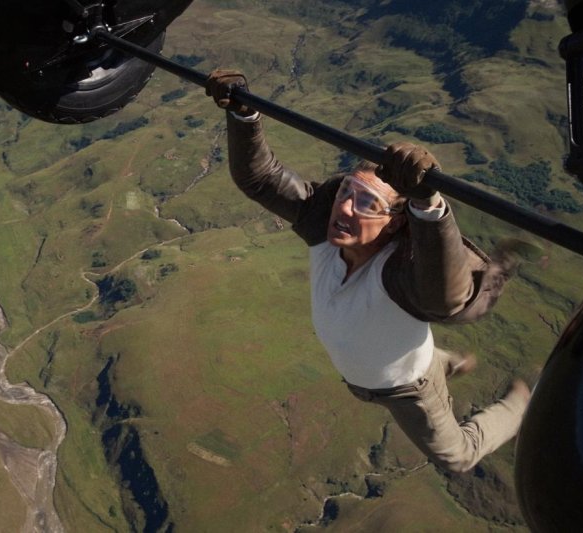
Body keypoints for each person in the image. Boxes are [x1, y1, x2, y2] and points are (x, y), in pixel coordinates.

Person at [205, 69, 531, 473]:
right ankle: (450, 362)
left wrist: (427, 206)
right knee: (423, 354)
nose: (344, 208)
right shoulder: (324, 231)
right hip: (372, 371)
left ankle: (519, 407)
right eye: (346, 191)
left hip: (407, 389)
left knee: (458, 457)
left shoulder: (398, 275)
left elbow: (445, 295)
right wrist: (242, 113)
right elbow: (261, 179)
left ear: (394, 224)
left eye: (366, 203)